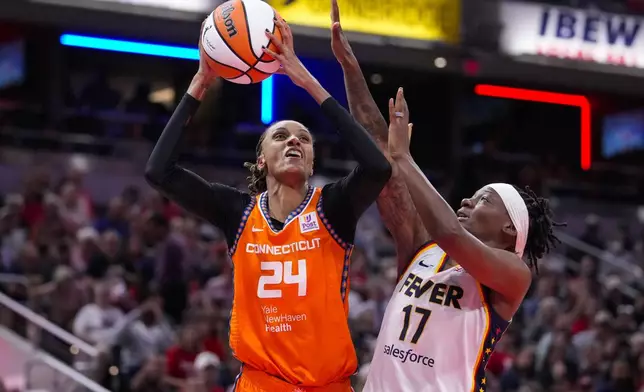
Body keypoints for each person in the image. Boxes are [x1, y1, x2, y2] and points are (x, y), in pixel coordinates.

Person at [145, 17, 391, 392]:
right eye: (281, 136)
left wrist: (306, 81)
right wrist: (200, 81)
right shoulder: (237, 211)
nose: (294, 142)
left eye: (304, 139)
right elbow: (159, 171)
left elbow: (377, 168)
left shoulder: (332, 208)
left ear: (311, 162)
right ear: (261, 159)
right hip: (261, 384)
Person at [329, 2, 563, 391]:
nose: (468, 202)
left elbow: (451, 232)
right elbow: (382, 161)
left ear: (510, 228)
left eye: (484, 199)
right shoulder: (426, 251)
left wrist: (404, 157)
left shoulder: (513, 274)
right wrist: (351, 69)